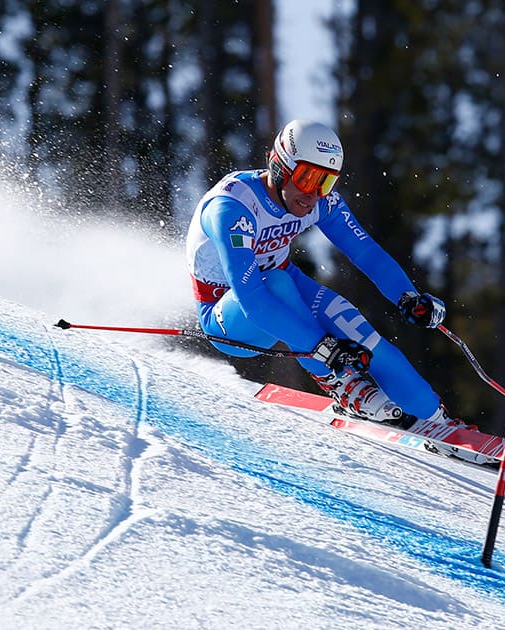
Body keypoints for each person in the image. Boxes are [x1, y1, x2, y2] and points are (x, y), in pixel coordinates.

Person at [186, 119, 466, 430]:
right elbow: (252, 298)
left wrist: (407, 296)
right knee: (278, 283)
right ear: (279, 167)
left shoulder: (319, 200)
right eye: (307, 178)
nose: (315, 194)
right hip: (231, 320)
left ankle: (437, 419)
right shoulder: (232, 207)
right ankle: (341, 385)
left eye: (327, 181)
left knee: (357, 328)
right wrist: (323, 346)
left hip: (283, 288)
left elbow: (365, 252)